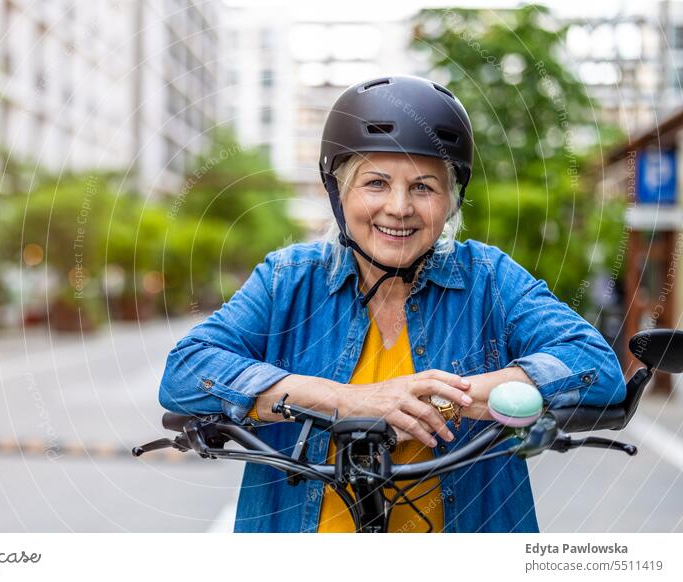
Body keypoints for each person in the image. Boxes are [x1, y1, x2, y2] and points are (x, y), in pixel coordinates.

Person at [158, 75, 626, 533]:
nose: (399, 207)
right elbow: (185, 372)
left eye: (423, 186)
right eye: (376, 183)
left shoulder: (489, 277)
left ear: (451, 200)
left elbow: (595, 366)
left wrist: (444, 401)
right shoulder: (288, 278)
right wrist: (349, 400)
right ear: (338, 191)